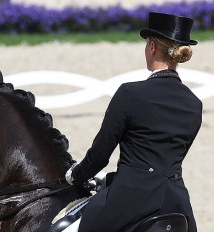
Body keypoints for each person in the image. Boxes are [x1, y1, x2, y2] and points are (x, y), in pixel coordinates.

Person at [65, 12, 202, 232]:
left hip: (129, 201)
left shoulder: (130, 94)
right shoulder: (194, 104)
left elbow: (100, 155)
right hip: (176, 203)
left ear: (152, 48)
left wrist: (75, 175)